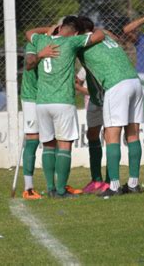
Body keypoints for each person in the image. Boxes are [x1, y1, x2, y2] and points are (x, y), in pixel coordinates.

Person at [25, 16, 105, 198]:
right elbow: (98, 36)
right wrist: (102, 30)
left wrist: (49, 28)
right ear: (76, 32)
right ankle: (61, 190)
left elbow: (28, 32)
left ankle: (50, 188)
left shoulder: (42, 40)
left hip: (42, 102)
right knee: (64, 146)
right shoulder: (72, 42)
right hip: (62, 101)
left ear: (60, 27)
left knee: (48, 146)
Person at [78, 16, 144, 197]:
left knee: (111, 135)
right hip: (134, 80)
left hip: (116, 85)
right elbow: (111, 35)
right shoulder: (105, 35)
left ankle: (113, 186)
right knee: (133, 133)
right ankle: (133, 184)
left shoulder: (80, 41)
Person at [75, 65, 109, 194]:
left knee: (110, 136)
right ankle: (96, 179)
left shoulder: (106, 63)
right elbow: (77, 80)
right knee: (92, 135)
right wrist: (77, 84)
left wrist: (79, 88)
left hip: (107, 100)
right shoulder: (86, 66)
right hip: (92, 103)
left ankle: (109, 180)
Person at [20, 42, 43, 200]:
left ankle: (57, 186)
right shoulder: (34, 43)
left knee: (55, 141)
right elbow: (29, 63)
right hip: (31, 98)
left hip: (49, 97)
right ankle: (28, 187)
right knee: (32, 139)